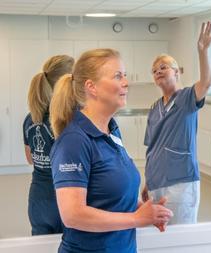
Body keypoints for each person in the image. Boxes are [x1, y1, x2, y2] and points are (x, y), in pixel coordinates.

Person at [49, 48, 173, 253]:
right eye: (117, 76)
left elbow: (109, 193)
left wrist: (140, 208)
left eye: (124, 75)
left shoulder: (111, 130)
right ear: (92, 87)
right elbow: (73, 215)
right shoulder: (74, 141)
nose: (126, 82)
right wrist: (136, 218)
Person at [141, 22, 211, 225]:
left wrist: (203, 51)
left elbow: (206, 82)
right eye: (154, 70)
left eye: (163, 67)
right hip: (156, 181)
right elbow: (152, 148)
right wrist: (147, 181)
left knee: (181, 237)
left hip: (180, 182)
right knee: (160, 234)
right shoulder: (155, 107)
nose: (158, 72)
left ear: (177, 72)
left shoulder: (185, 99)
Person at [23, 55, 74, 235]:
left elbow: (30, 158)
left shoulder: (30, 118)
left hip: (38, 199)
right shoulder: (65, 119)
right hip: (63, 197)